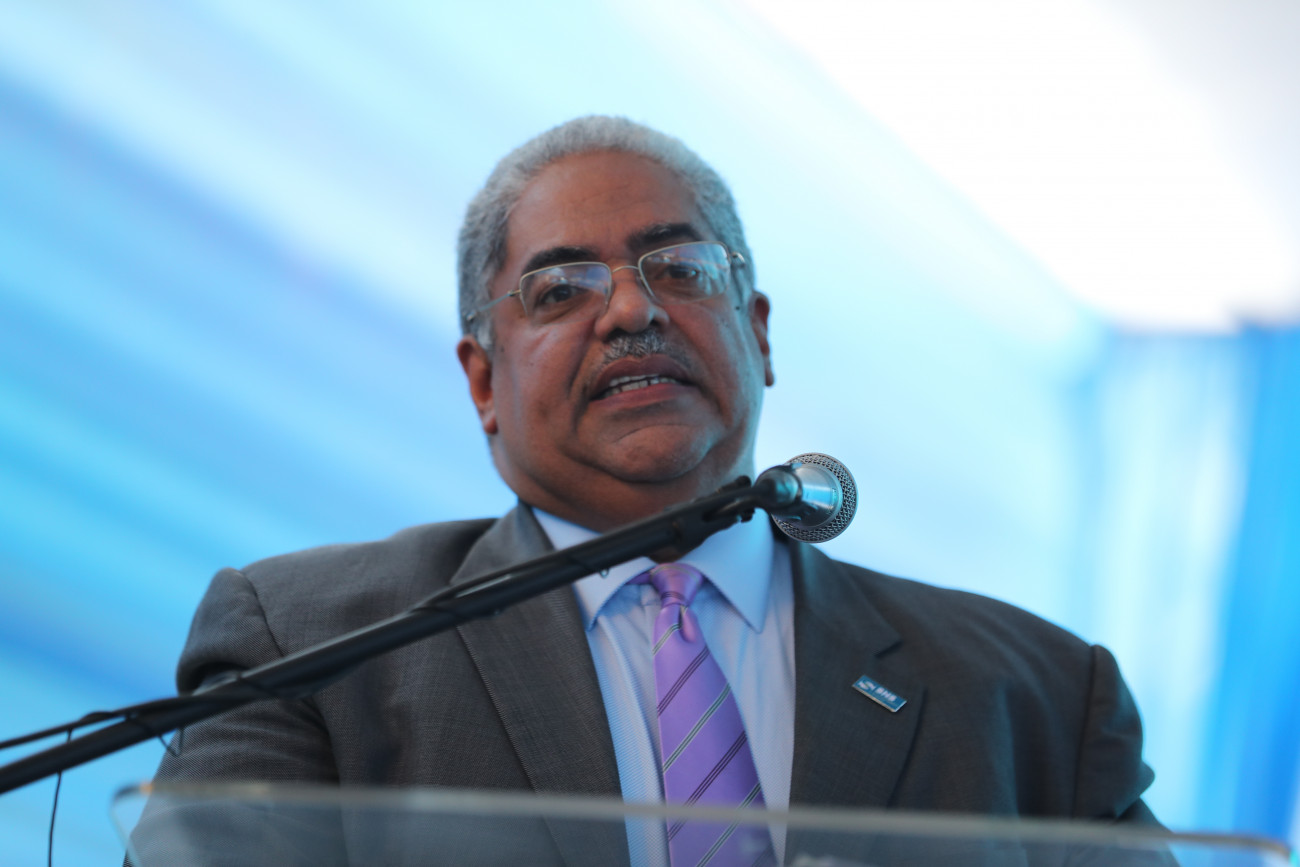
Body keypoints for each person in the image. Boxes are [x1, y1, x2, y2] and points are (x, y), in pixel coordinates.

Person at [142, 116, 1158, 865]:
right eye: (561, 289)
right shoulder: (311, 646)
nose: (632, 310)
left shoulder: (1035, 696)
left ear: (757, 332)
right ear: (484, 381)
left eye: (680, 269)